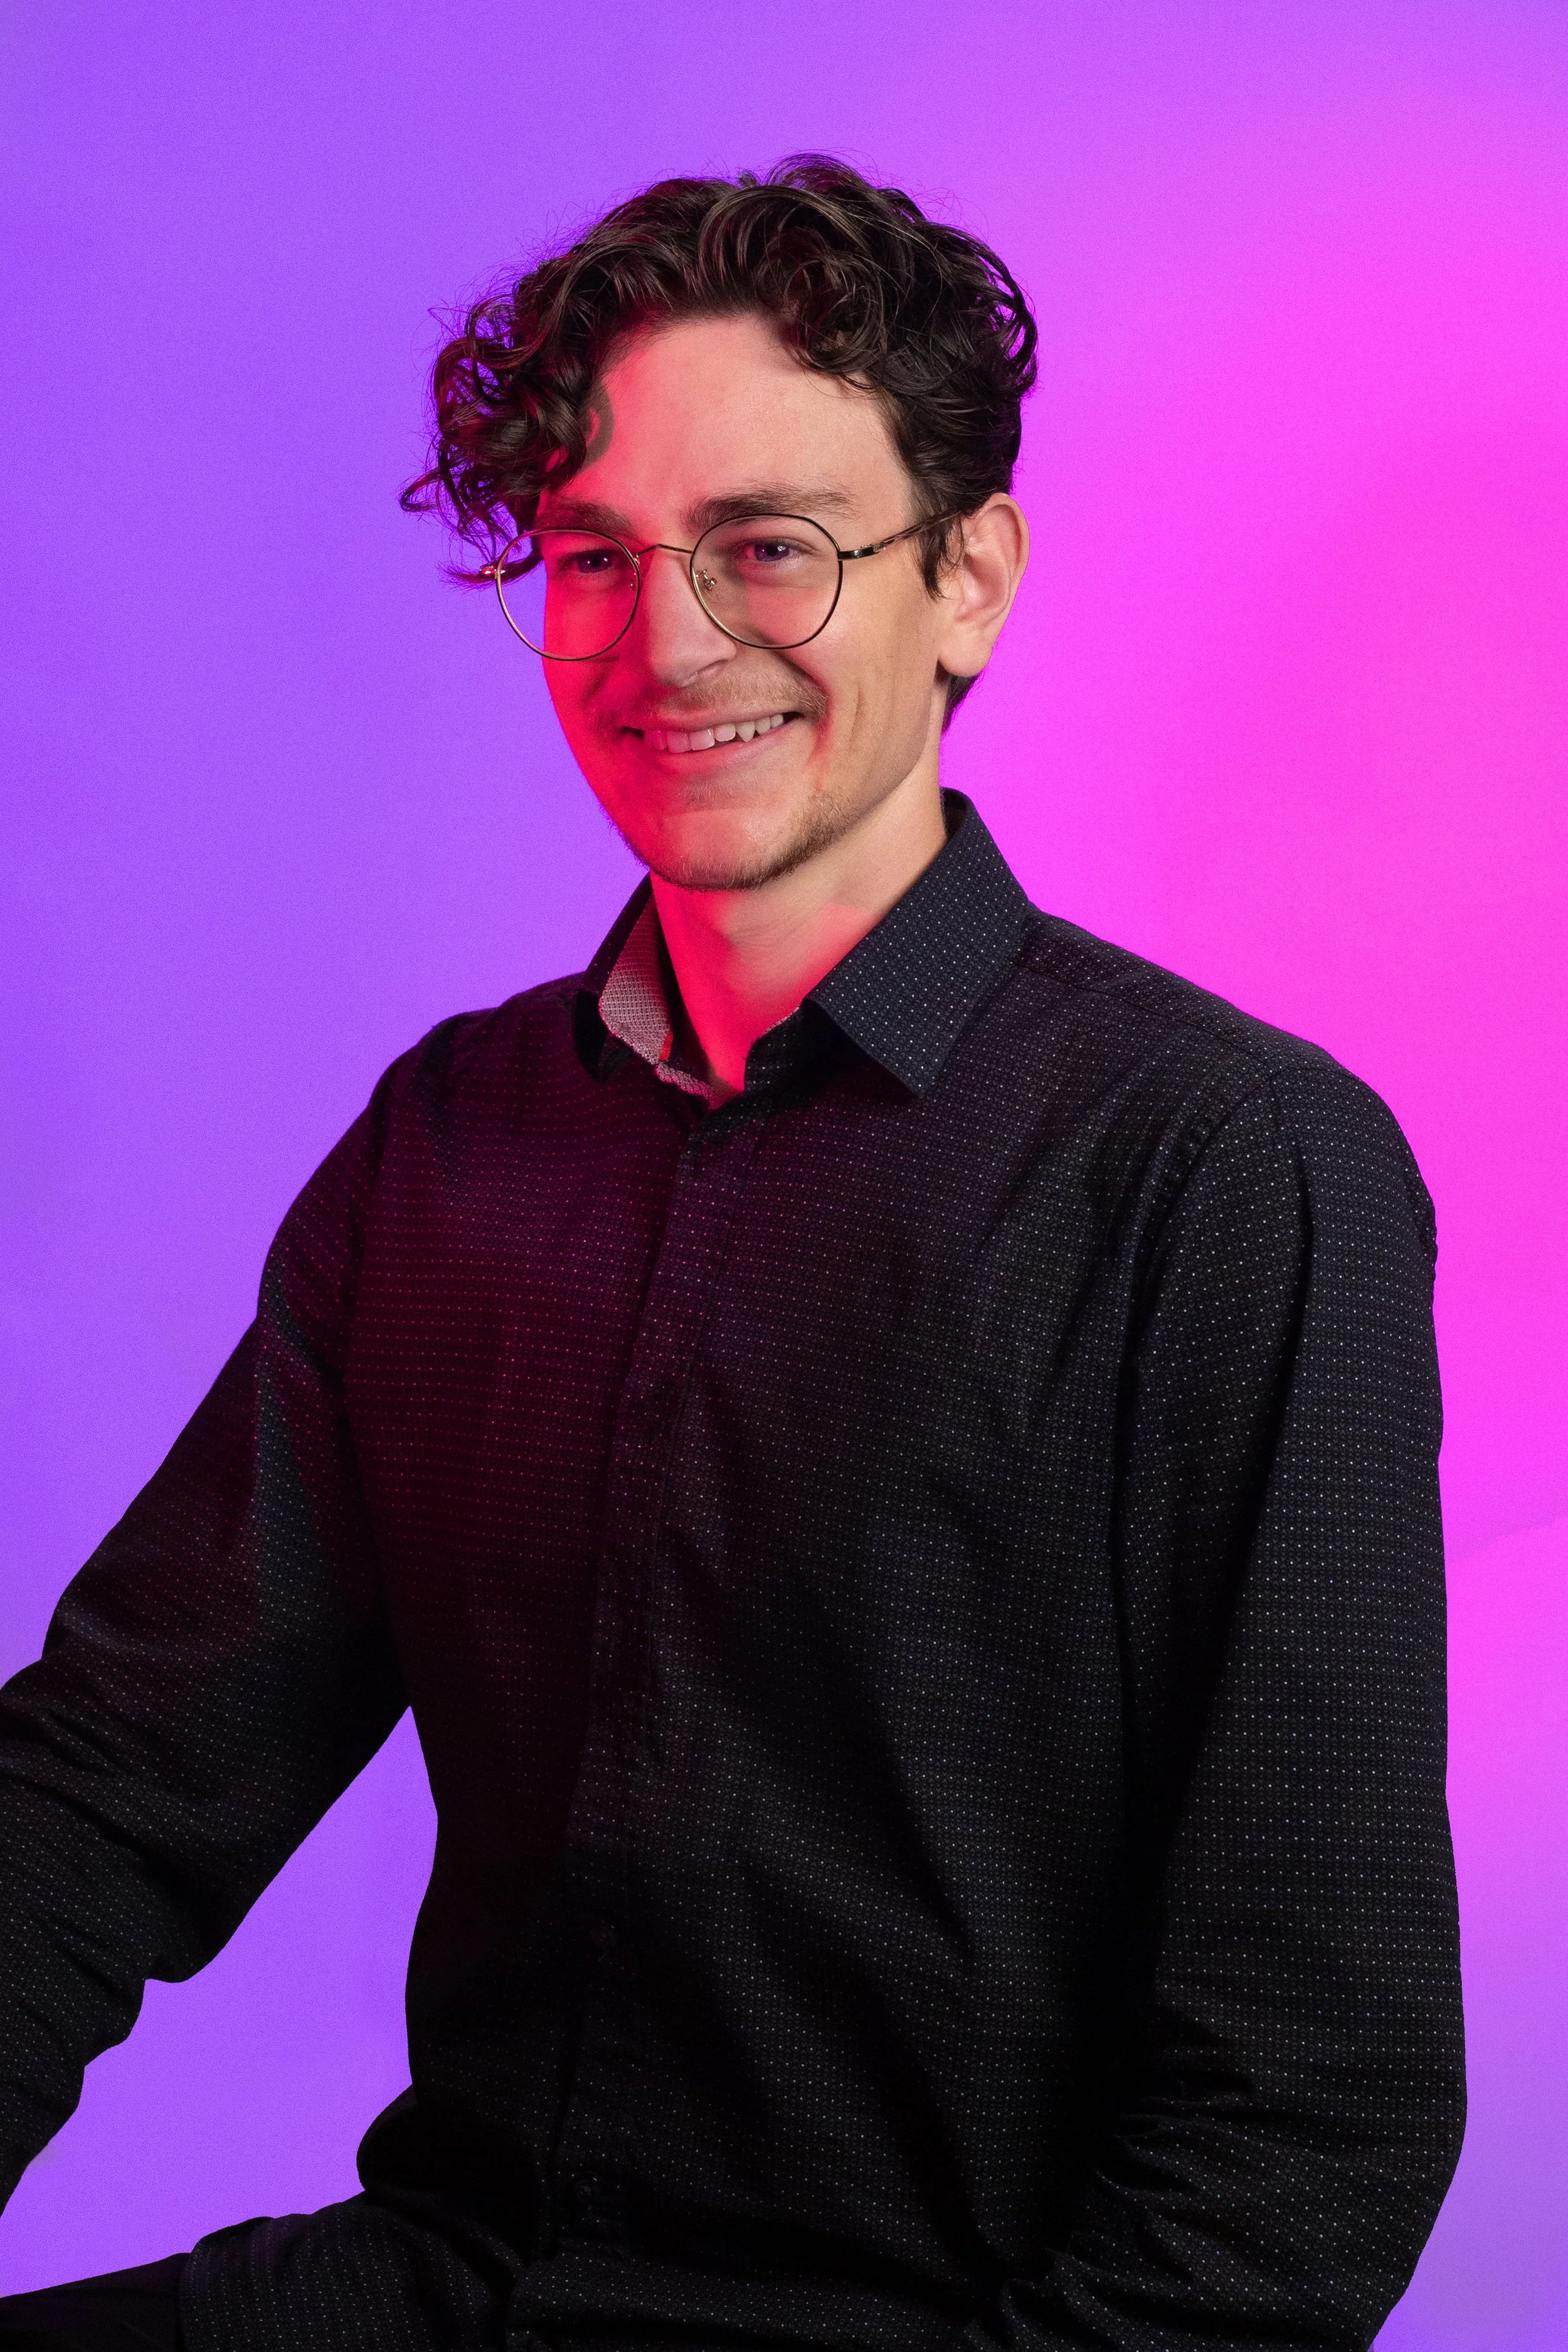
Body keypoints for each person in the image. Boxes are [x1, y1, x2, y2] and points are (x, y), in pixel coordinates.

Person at [0, 156, 1463, 2352]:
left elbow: (1310, 2125)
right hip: (451, 2286)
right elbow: (111, 1781)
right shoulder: (450, 1143)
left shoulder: (1230, 1169)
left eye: (766, 545)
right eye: (595, 557)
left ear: (965, 580)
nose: (668, 643)